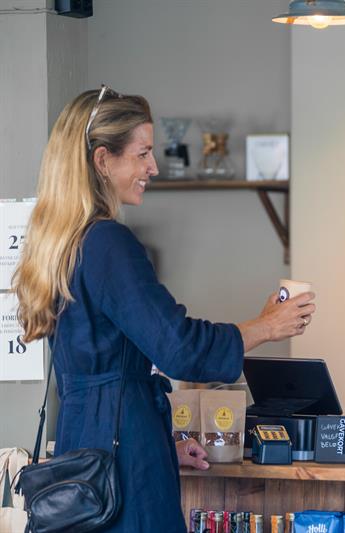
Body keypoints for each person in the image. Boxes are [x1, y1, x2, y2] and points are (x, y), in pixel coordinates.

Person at [12, 86, 316, 532]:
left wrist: (159, 442)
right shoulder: (106, 243)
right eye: (142, 153)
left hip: (86, 456)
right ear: (102, 160)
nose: (152, 167)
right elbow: (179, 347)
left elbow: (102, 377)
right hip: (124, 465)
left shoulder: (61, 245)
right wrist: (266, 326)